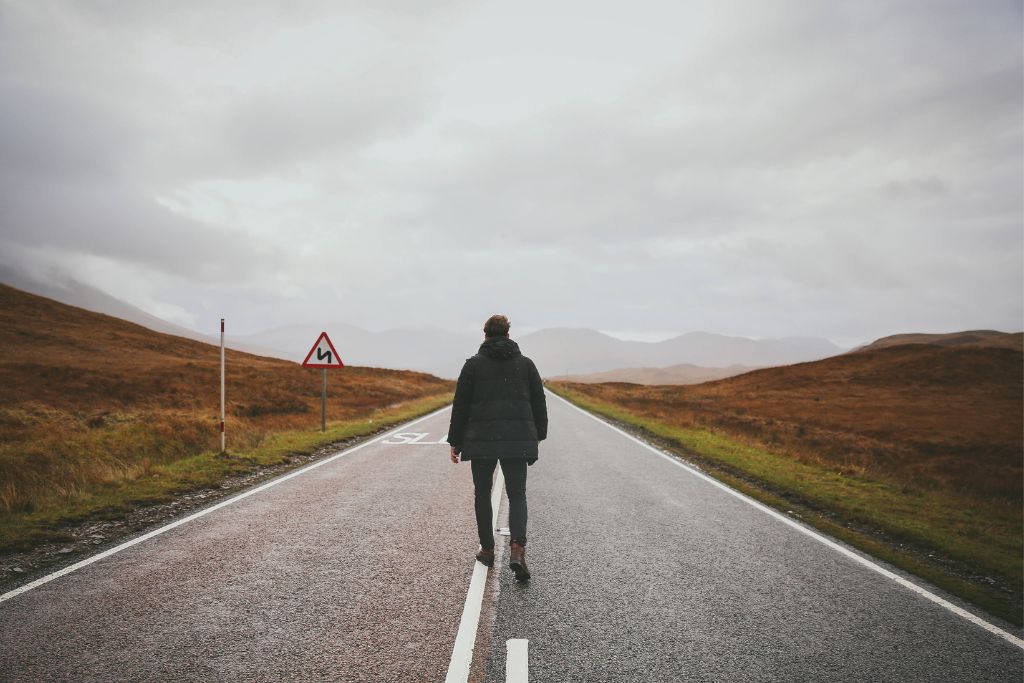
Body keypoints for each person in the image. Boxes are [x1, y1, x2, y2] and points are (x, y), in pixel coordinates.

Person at [447, 314, 547, 581]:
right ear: (508, 334)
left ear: (485, 335)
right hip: (517, 440)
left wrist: (455, 441)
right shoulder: (526, 365)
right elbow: (539, 402)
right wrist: (538, 436)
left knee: (482, 492)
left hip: (481, 440)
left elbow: (461, 406)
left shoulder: (473, 366)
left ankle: (488, 550)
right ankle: (517, 550)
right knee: (517, 495)